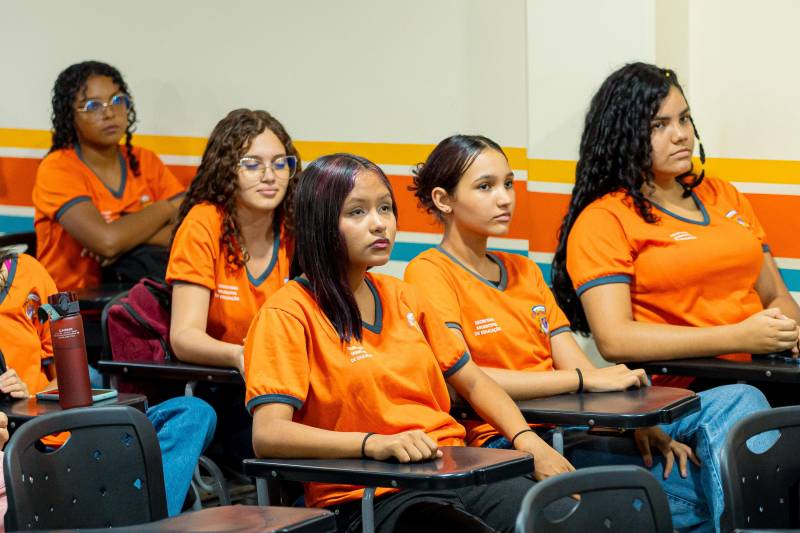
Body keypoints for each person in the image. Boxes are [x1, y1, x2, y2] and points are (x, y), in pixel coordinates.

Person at [405, 134, 775, 532]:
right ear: (444, 200)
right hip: (508, 442)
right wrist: (586, 380)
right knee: (712, 493)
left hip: (576, 430)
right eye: (485, 187)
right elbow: (466, 383)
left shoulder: (523, 270)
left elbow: (575, 362)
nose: (504, 198)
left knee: (740, 400)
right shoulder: (429, 271)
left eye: (509, 183)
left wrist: (628, 420)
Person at [245, 153, 573, 533]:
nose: (380, 224)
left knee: (567, 519)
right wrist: (372, 445)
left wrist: (527, 441)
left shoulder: (403, 297)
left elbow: (475, 382)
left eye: (385, 208)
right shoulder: (288, 312)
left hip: (454, 471)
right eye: (357, 212)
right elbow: (268, 435)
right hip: (374, 494)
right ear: (319, 223)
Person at [551, 62, 799, 385]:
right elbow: (615, 339)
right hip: (685, 388)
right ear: (624, 135)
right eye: (659, 125)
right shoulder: (604, 218)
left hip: (767, 368)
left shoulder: (722, 194)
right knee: (746, 402)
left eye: (684, 119)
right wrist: (738, 337)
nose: (681, 135)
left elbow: (777, 295)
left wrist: (787, 330)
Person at [0, 251, 216, 516]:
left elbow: (65, 376)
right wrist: (10, 400)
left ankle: (134, 515)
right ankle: (146, 517)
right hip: (31, 450)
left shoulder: (26, 271)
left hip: (72, 423)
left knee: (193, 413)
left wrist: (29, 395)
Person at [166, 109, 299, 465]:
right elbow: (184, 336)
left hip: (289, 381)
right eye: (252, 164)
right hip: (225, 387)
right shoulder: (204, 223)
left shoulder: (293, 225)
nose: (270, 176)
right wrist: (241, 355)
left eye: (280, 163)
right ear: (227, 170)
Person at [32, 61, 185, 290]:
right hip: (70, 308)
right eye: (92, 105)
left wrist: (125, 236)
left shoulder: (145, 160)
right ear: (70, 117)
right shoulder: (57, 168)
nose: (109, 112)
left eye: (117, 100)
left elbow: (187, 231)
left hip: (136, 303)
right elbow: (107, 242)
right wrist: (164, 209)